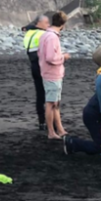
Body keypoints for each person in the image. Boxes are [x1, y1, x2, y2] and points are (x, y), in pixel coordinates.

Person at [39, 11, 70, 140]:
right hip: (52, 74)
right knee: (51, 103)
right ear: (63, 24)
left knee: (55, 103)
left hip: (49, 73)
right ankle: (51, 131)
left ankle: (60, 129)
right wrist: (64, 57)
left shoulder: (46, 35)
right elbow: (51, 58)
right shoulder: (52, 37)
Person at [21, 14, 50, 130]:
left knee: (39, 94)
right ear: (39, 23)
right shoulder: (42, 34)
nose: (48, 25)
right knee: (49, 94)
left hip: (33, 65)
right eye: (46, 23)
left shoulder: (29, 33)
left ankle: (41, 121)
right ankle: (50, 122)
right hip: (43, 65)